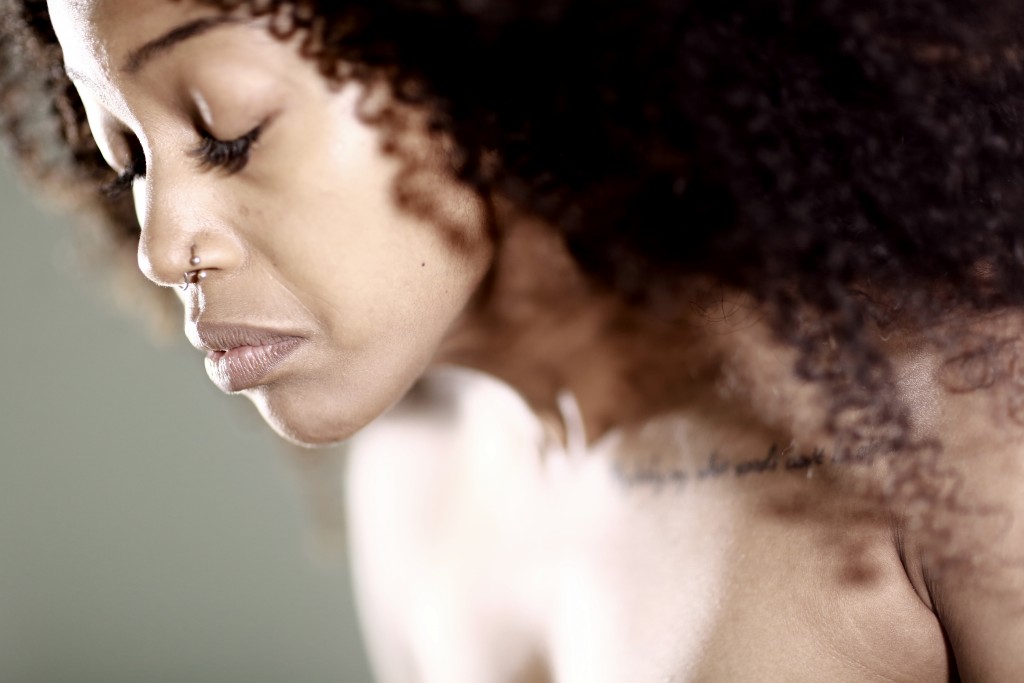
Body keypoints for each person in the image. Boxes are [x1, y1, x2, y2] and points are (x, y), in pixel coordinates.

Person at [2, 0, 1023, 680]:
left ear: (461, 47)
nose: (162, 244)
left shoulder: (961, 421)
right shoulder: (417, 470)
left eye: (227, 132)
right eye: (129, 158)